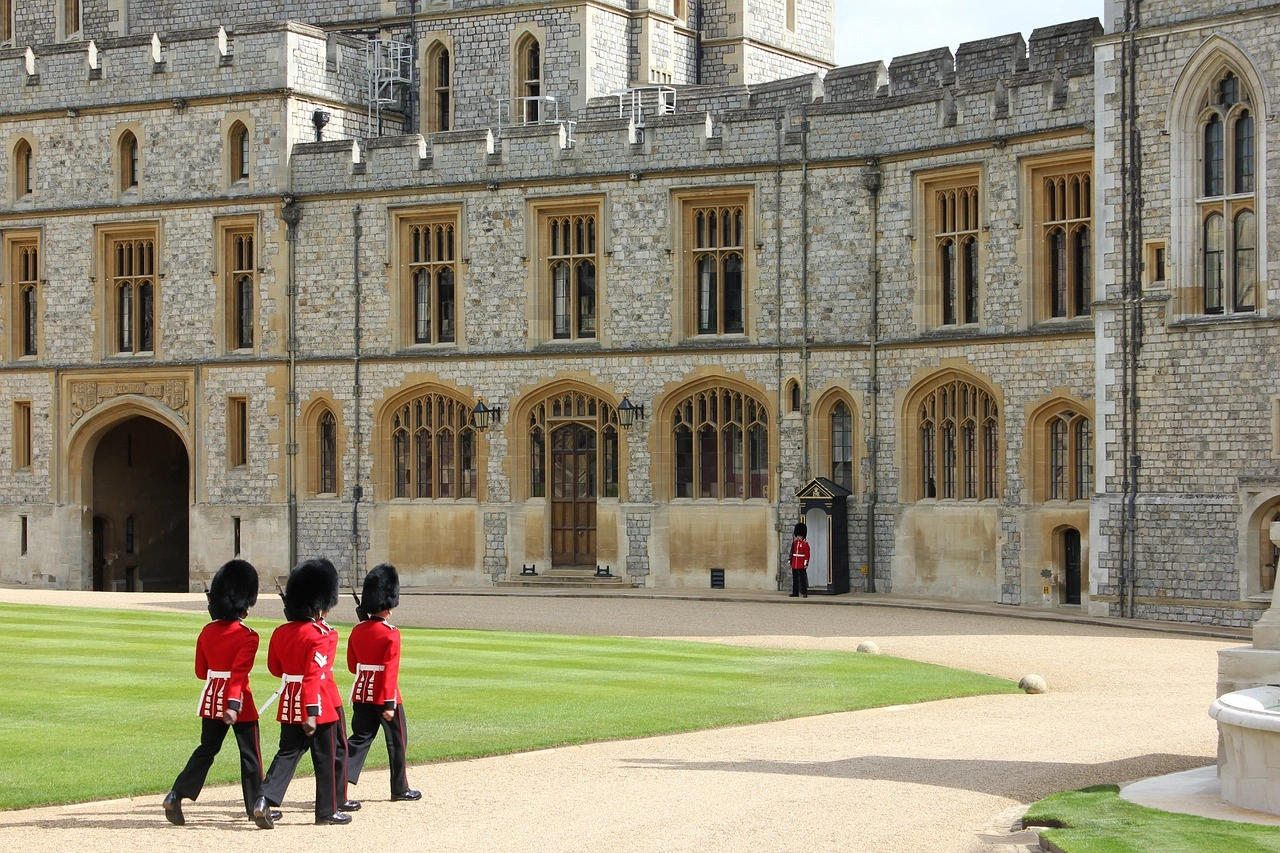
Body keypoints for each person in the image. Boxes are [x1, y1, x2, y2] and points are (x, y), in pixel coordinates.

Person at [163, 559, 276, 827]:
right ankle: (255, 808)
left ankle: (176, 794)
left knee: (206, 750)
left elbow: (202, 672)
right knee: (250, 754)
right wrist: (234, 703)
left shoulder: (207, 632)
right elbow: (239, 674)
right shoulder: (248, 636)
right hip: (238, 702)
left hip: (211, 699)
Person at [256, 558, 358, 827]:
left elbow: (275, 669)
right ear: (321, 604)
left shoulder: (281, 632)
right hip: (318, 704)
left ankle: (264, 799)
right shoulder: (323, 634)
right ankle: (326, 811)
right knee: (324, 759)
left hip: (289, 700)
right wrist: (311, 711)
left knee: (287, 752)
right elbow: (316, 675)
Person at [346, 564, 422, 803]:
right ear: (389, 604)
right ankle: (399, 789)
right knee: (398, 742)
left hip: (361, 692)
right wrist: (389, 702)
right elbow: (390, 671)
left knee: (359, 739)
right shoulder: (391, 633)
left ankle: (337, 780)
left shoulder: (357, 631)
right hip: (385, 695)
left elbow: (352, 666)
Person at [788, 522, 810, 598]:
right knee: (795, 579)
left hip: (801, 563)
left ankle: (804, 592)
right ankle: (795, 592)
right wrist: (790, 560)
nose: (798, 537)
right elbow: (792, 552)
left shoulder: (805, 544)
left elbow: (807, 555)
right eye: (797, 536)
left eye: (800, 536)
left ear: (803, 536)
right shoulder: (794, 543)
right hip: (795, 563)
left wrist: (806, 563)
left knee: (802, 579)